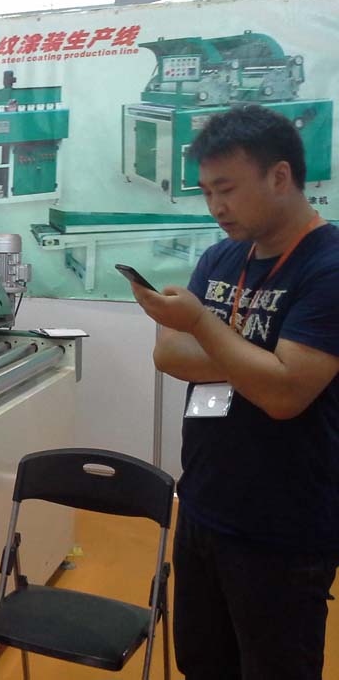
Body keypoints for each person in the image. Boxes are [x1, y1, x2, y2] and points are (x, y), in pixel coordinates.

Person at [130, 104, 339, 680]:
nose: (216, 207)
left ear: (279, 176)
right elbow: (168, 355)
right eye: (206, 192)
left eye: (227, 189)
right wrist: (255, 359)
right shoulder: (222, 257)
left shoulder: (327, 267)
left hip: (284, 527)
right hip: (203, 503)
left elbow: (285, 395)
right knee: (203, 663)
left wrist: (203, 325)